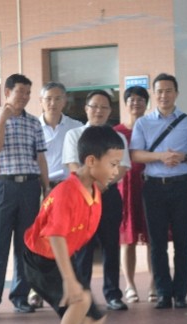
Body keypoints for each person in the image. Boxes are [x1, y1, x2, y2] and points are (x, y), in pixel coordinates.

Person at [24, 125, 124, 324]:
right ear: (91, 161)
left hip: (60, 257)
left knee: (95, 318)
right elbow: (54, 236)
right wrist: (69, 280)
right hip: (40, 259)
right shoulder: (67, 193)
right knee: (81, 299)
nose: (117, 170)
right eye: (113, 164)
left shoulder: (94, 191)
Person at [130, 73, 187, 309]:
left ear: (176, 93)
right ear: (154, 94)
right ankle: (163, 292)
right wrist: (162, 156)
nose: (164, 95)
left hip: (182, 185)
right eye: (159, 91)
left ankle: (180, 293)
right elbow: (136, 155)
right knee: (157, 242)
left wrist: (182, 157)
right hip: (153, 187)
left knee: (182, 242)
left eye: (168, 90)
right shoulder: (143, 123)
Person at [0, 74, 49, 315]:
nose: (24, 96)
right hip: (3, 187)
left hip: (30, 187)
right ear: (8, 93)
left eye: (27, 92)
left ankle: (20, 296)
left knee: (26, 245)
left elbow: (40, 157)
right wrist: (3, 117)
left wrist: (46, 187)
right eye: (20, 91)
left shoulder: (34, 123)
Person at [64, 91, 131, 311]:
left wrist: (104, 184)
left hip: (109, 195)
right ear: (86, 109)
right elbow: (73, 165)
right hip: (82, 197)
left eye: (104, 107)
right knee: (83, 248)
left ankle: (113, 294)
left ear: (110, 111)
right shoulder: (74, 134)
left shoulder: (117, 137)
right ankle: (83, 297)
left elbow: (122, 167)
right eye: (94, 107)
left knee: (111, 245)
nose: (99, 111)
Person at [32, 81, 83, 309]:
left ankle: (68, 289)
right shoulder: (32, 126)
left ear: (65, 101)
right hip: (40, 189)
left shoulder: (76, 127)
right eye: (48, 99)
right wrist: (44, 188)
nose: (53, 103)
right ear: (41, 101)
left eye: (58, 98)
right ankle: (38, 290)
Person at [114, 86, 155, 304]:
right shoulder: (116, 131)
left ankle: (153, 284)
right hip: (125, 189)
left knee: (153, 239)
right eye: (131, 99)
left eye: (140, 99)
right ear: (126, 103)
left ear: (147, 103)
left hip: (149, 186)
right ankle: (129, 285)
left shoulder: (152, 128)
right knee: (126, 240)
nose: (136, 103)